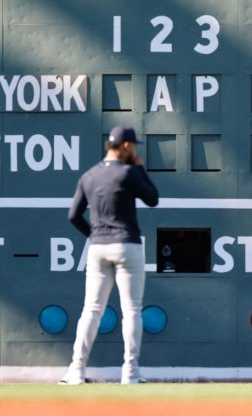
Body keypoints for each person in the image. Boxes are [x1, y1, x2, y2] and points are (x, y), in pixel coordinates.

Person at [60, 125, 159, 385]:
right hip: (127, 243)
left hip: (98, 246)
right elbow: (152, 198)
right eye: (134, 146)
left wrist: (93, 235)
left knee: (91, 310)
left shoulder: (89, 175)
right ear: (125, 146)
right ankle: (130, 371)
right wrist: (139, 168)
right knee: (132, 310)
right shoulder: (128, 173)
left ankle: (76, 371)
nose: (135, 150)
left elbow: (73, 216)